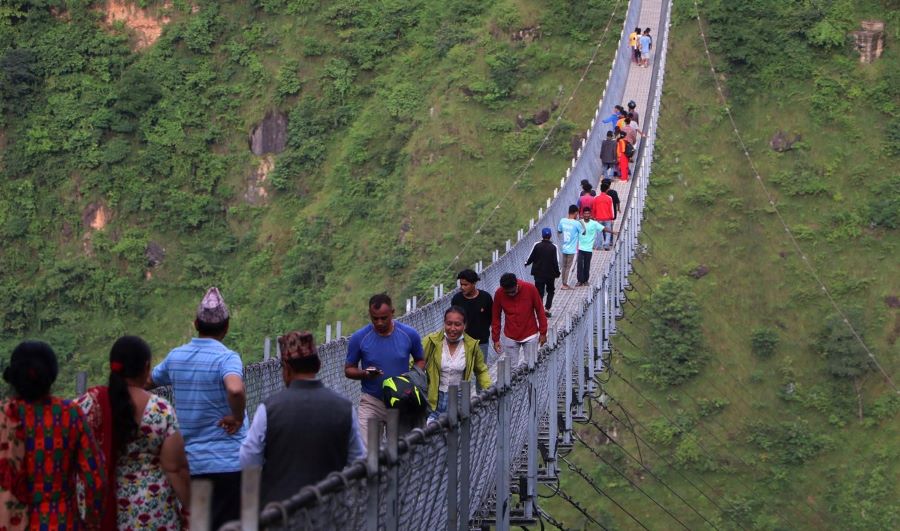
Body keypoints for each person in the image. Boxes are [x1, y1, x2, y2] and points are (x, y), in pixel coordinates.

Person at [148, 287, 247, 530]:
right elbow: (235, 389)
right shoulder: (228, 358)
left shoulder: (176, 358)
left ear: (195, 324)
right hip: (232, 463)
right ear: (226, 327)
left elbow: (148, 381)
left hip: (193, 464)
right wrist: (236, 416)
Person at [78, 336, 190, 530]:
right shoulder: (159, 410)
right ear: (146, 367)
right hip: (151, 513)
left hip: (98, 509)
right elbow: (176, 469)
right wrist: (192, 509)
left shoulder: (85, 406)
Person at [241, 332, 365, 506]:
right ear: (319, 365)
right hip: (330, 510)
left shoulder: (269, 410)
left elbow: (248, 460)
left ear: (287, 368)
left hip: (280, 513)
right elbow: (359, 460)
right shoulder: (344, 408)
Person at [2, 341, 105, 529]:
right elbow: (95, 478)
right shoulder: (70, 414)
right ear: (51, 375)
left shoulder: (3, 417)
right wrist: (91, 521)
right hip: (61, 521)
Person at [345, 293, 425, 445]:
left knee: (400, 452)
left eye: (384, 318)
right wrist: (365, 374)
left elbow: (420, 360)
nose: (379, 322)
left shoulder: (409, 334)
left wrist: (410, 378)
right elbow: (349, 369)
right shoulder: (359, 338)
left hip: (401, 401)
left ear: (392, 313)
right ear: (370, 315)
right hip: (372, 402)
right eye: (375, 318)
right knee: (367, 453)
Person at [421, 307, 492, 423]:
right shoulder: (431, 341)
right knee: (431, 434)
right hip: (433, 398)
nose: (452, 329)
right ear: (444, 323)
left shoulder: (471, 345)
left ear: (465, 326)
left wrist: (489, 389)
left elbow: (481, 370)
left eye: (457, 324)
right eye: (449, 324)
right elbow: (415, 363)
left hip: (458, 399)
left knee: (454, 434)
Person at [491, 273, 548, 367]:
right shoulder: (499, 293)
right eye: (507, 293)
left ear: (516, 284)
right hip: (510, 335)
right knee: (511, 368)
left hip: (530, 333)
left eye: (513, 291)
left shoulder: (530, 288)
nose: (510, 294)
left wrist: (543, 333)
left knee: (531, 365)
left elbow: (540, 310)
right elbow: (496, 317)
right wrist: (495, 339)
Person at [450, 269, 494, 363]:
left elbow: (492, 318)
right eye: (461, 284)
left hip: (481, 342)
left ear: (474, 283)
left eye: (465, 285)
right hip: (461, 342)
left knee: (480, 370)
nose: (462, 287)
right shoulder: (457, 300)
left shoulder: (485, 298)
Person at [525, 228, 561, 317]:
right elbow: (556, 261)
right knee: (550, 291)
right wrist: (558, 272)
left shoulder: (537, 245)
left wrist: (527, 263)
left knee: (539, 292)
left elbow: (531, 256)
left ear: (542, 235)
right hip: (550, 274)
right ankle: (547, 309)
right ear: (550, 236)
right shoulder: (554, 247)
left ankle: (539, 310)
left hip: (538, 273)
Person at [575, 207, 613, 286]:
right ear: (582, 214)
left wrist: (613, 232)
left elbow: (603, 228)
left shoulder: (594, 223)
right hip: (580, 248)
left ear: (590, 214)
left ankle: (585, 280)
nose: (586, 215)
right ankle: (579, 280)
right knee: (579, 265)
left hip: (589, 249)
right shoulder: (579, 223)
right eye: (585, 213)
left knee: (587, 265)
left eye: (588, 213)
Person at [557, 205, 582, 290]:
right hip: (572, 249)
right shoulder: (576, 223)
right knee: (569, 267)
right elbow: (583, 232)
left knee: (564, 266)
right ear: (575, 213)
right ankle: (566, 284)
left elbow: (559, 231)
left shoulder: (562, 221)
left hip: (564, 247)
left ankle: (563, 282)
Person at [595, 181, 616, 251]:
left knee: (599, 232)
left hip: (598, 218)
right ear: (607, 190)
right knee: (608, 232)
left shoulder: (596, 198)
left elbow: (594, 208)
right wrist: (612, 218)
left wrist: (594, 216)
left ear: (600, 189)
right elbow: (611, 208)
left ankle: (599, 245)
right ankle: (606, 245)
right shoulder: (609, 198)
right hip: (607, 218)